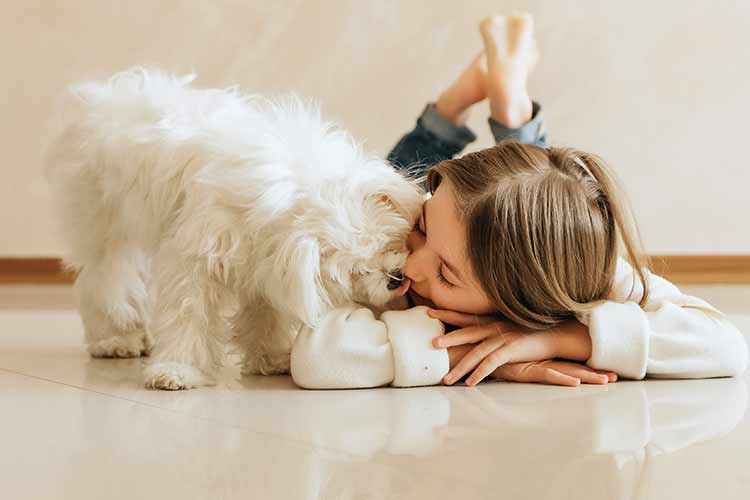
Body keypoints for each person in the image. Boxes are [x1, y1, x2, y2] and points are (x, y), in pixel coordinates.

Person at [290, 15, 747, 389]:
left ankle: (467, 106)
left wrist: (562, 337)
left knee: (528, 192)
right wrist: (470, 350)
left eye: (447, 274)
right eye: (425, 228)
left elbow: (726, 346)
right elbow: (313, 353)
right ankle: (504, 112)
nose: (411, 266)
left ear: (524, 304)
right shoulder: (391, 254)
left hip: (534, 259)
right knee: (397, 187)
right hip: (456, 209)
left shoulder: (589, 280)